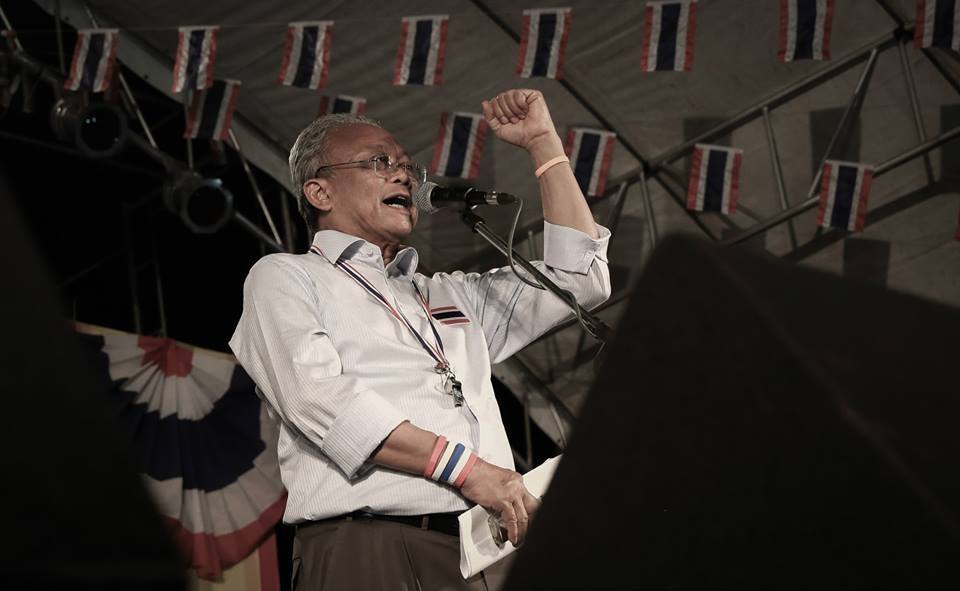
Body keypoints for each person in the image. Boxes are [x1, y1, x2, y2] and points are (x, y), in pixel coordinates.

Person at [229, 88, 611, 590]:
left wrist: (544, 145)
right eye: (378, 162)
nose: (403, 175)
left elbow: (579, 278)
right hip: (368, 545)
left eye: (408, 166)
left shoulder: (450, 295)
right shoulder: (286, 277)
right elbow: (320, 399)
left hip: (478, 554)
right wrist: (468, 470)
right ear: (319, 193)